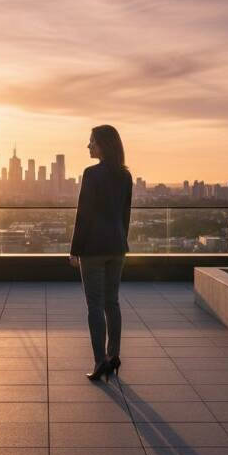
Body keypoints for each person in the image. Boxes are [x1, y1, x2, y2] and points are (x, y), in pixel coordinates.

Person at [69, 124, 133, 382]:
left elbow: (83, 216)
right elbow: (125, 215)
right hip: (117, 247)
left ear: (103, 145)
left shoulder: (91, 174)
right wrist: (121, 241)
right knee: (112, 302)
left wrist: (75, 250)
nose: (88, 146)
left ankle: (99, 362)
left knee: (94, 305)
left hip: (93, 249)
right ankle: (114, 356)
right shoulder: (126, 176)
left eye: (92, 141)